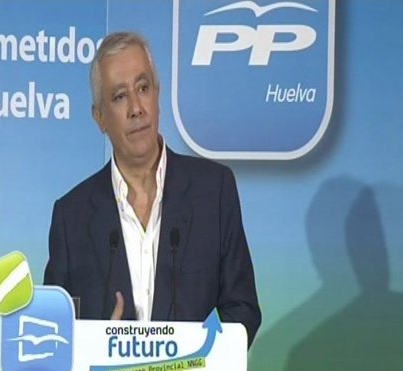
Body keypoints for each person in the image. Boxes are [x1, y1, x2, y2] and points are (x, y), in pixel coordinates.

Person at [43, 32, 261, 346]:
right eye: (119, 96)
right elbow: (55, 338)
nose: (136, 108)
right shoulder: (71, 217)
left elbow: (242, 310)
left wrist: (192, 356)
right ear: (99, 118)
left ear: (157, 95)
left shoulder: (213, 192)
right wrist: (96, 347)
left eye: (143, 88)